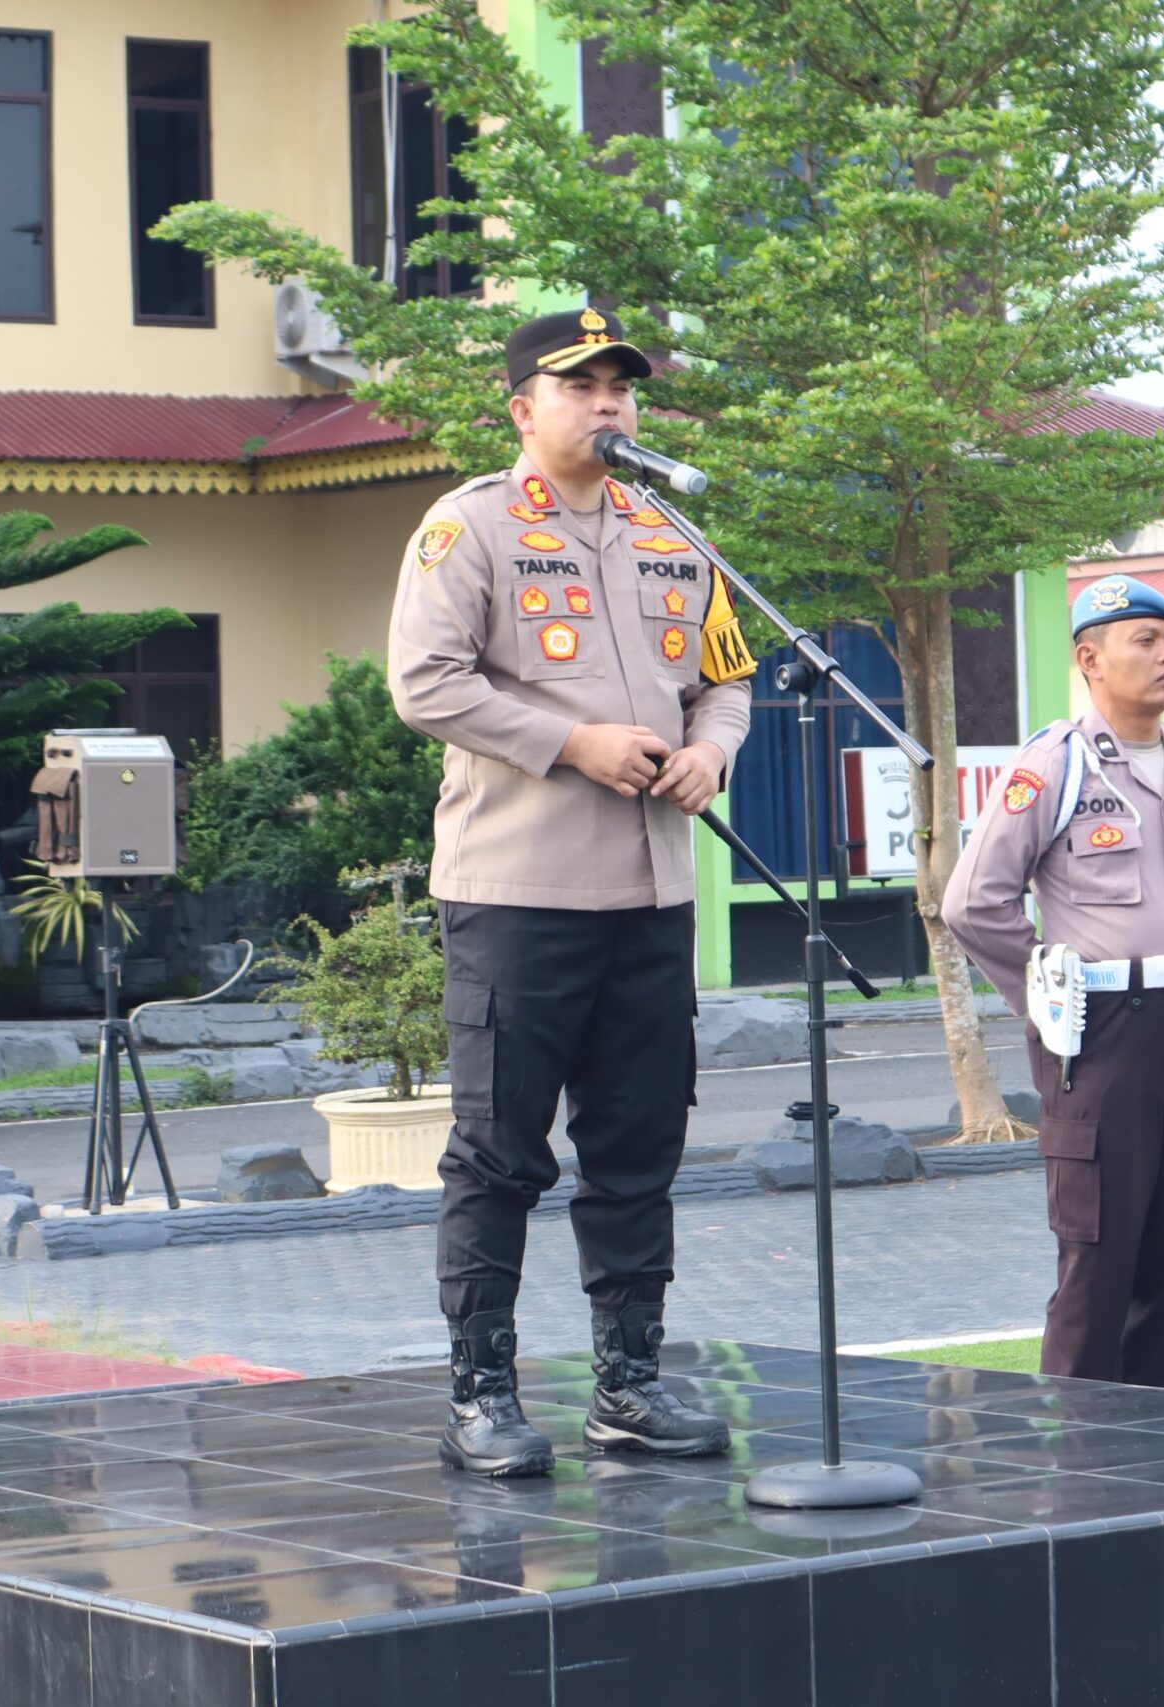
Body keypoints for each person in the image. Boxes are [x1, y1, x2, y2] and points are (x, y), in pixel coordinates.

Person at [388, 305, 758, 1477]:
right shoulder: (469, 528)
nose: (608, 403)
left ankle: (628, 1388)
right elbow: (424, 683)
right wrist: (572, 744)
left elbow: (725, 680)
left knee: (638, 1149)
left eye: (621, 386)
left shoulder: (670, 531)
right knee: (499, 1154)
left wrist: (711, 753)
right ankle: (480, 1396)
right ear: (522, 410)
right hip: (518, 890)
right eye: (581, 386)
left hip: (649, 893)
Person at [943, 574, 1164, 1389]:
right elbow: (972, 902)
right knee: (1100, 1255)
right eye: (1145, 640)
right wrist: (1044, 995)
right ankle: (1081, 1445)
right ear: (1089, 659)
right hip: (1104, 1026)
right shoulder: (1055, 764)